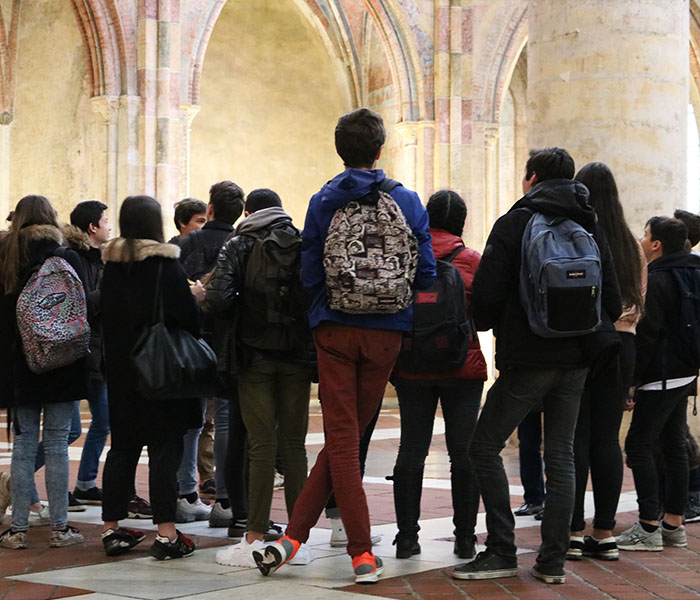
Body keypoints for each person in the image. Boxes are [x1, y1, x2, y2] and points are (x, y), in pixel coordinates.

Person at [252, 108, 436, 585]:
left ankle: (351, 552)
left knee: (342, 440)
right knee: (346, 440)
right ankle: (309, 544)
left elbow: (309, 266)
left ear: (340, 150)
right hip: (387, 333)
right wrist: (401, 310)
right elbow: (429, 270)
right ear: (380, 150)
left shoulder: (322, 201)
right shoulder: (409, 200)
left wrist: (322, 312)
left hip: (334, 328)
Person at [462, 148, 621, 585]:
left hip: (527, 359)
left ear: (531, 178)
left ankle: (500, 551)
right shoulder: (590, 223)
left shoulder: (514, 223)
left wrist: (491, 323)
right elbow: (610, 300)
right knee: (562, 456)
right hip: (577, 361)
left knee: (483, 446)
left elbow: (487, 299)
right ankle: (552, 562)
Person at [206, 188, 313, 566]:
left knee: (261, 444)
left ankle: (253, 534)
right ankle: (298, 538)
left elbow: (218, 298)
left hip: (253, 356)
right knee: (295, 445)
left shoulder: (239, 244)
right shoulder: (303, 240)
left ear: (248, 211)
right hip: (297, 355)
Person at [99, 195, 203, 559]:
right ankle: (166, 535)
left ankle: (111, 529)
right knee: (164, 449)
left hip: (122, 371)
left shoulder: (110, 267)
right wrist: (196, 296)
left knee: (123, 448)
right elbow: (187, 318)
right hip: (161, 371)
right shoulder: (164, 265)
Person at [391, 189, 487, 560]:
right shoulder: (472, 260)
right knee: (463, 453)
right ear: (462, 222)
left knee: (411, 449)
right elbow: (488, 310)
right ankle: (465, 538)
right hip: (462, 367)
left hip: (412, 366)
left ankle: (406, 538)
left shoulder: (409, 259)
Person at [0, 195, 88, 549]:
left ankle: (17, 530)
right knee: (56, 444)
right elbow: (82, 307)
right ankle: (60, 528)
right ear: (51, 218)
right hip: (62, 360)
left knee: (22, 446)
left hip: (17, 363)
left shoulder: (6, 258)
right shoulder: (66, 257)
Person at [567, 163, 646, 561]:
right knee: (607, 438)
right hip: (624, 346)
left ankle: (575, 531)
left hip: (585, 341)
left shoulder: (578, 235)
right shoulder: (631, 245)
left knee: (577, 436)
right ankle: (605, 532)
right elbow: (639, 303)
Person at [616, 216, 700, 552]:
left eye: (645, 235)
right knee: (673, 446)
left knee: (638, 447)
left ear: (657, 244)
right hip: (687, 372)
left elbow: (647, 336)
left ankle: (649, 525)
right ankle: (673, 525)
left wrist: (632, 381)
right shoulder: (696, 271)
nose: (640, 239)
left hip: (660, 375)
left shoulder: (658, 277)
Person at [175, 181, 245, 525]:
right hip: (228, 343)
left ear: (211, 209)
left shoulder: (184, 244)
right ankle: (225, 501)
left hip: (189, 341)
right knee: (226, 422)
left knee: (190, 421)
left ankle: (185, 494)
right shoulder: (242, 244)